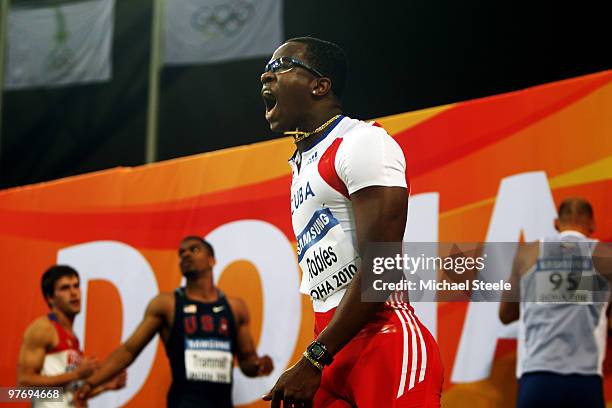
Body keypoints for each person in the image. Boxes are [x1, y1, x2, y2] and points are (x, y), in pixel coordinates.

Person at [260, 37, 443, 407]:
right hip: (333, 354)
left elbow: (383, 269)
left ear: (319, 84)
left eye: (280, 66)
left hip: (385, 341)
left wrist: (314, 357)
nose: (266, 74)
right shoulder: (302, 167)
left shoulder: (362, 143)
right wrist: (319, 355)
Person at [77, 236, 274, 408]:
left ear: (212, 260)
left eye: (194, 249)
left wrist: (258, 366)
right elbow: (128, 350)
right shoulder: (166, 304)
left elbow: (247, 360)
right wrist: (91, 383)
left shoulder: (235, 307)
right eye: (182, 253)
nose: (186, 255)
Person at [499, 197, 612, 408]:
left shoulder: (528, 253)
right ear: (592, 225)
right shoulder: (606, 256)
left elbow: (505, 314)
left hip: (537, 379)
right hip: (585, 381)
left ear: (556, 224)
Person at [17, 265, 126, 408]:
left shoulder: (73, 337)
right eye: (65, 288)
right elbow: (23, 387)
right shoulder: (43, 329)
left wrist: (105, 386)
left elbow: (68, 394)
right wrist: (75, 375)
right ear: (50, 298)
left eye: (76, 286)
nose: (74, 293)